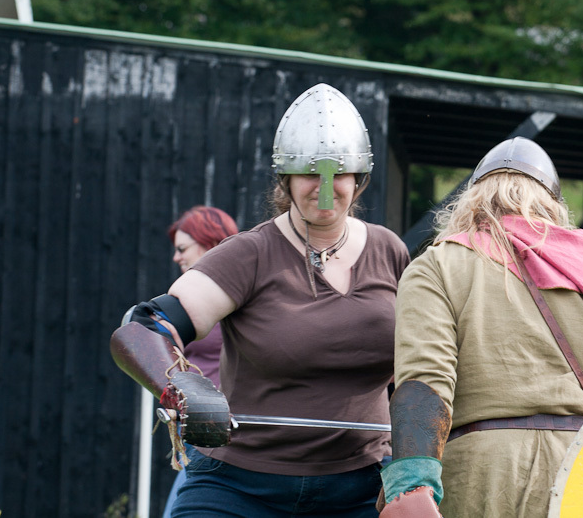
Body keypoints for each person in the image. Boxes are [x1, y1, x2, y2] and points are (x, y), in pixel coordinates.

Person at [110, 83, 410, 517]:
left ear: (358, 179)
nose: (324, 188)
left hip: (361, 486)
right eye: (310, 172)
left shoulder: (390, 250)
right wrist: (181, 388)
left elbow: (420, 363)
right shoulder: (249, 253)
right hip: (238, 485)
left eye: (337, 173)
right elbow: (146, 325)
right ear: (284, 179)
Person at [378, 137, 583, 517]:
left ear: (470, 200)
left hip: (480, 479)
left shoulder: (436, 267)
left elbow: (426, 382)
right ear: (553, 206)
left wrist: (411, 485)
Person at [162, 205, 239, 518]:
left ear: (210, 243)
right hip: (194, 431)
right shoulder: (187, 297)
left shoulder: (239, 295)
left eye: (182, 249)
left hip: (226, 432)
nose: (176, 258)